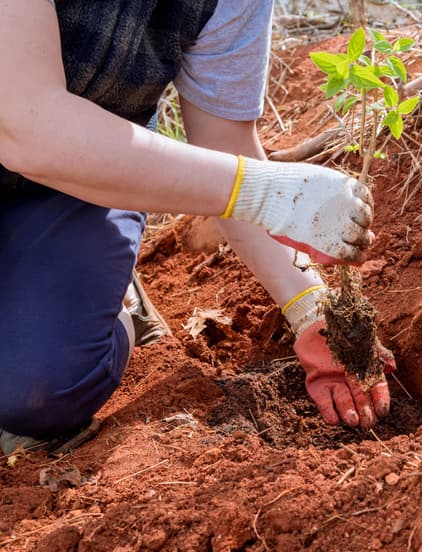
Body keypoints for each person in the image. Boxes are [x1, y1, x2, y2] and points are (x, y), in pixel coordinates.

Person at [0, 0, 395, 456]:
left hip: (82, 180)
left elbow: (225, 145)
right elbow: (25, 127)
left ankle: (108, 295)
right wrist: (265, 192)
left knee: (37, 388)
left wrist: (310, 307)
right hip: (32, 141)